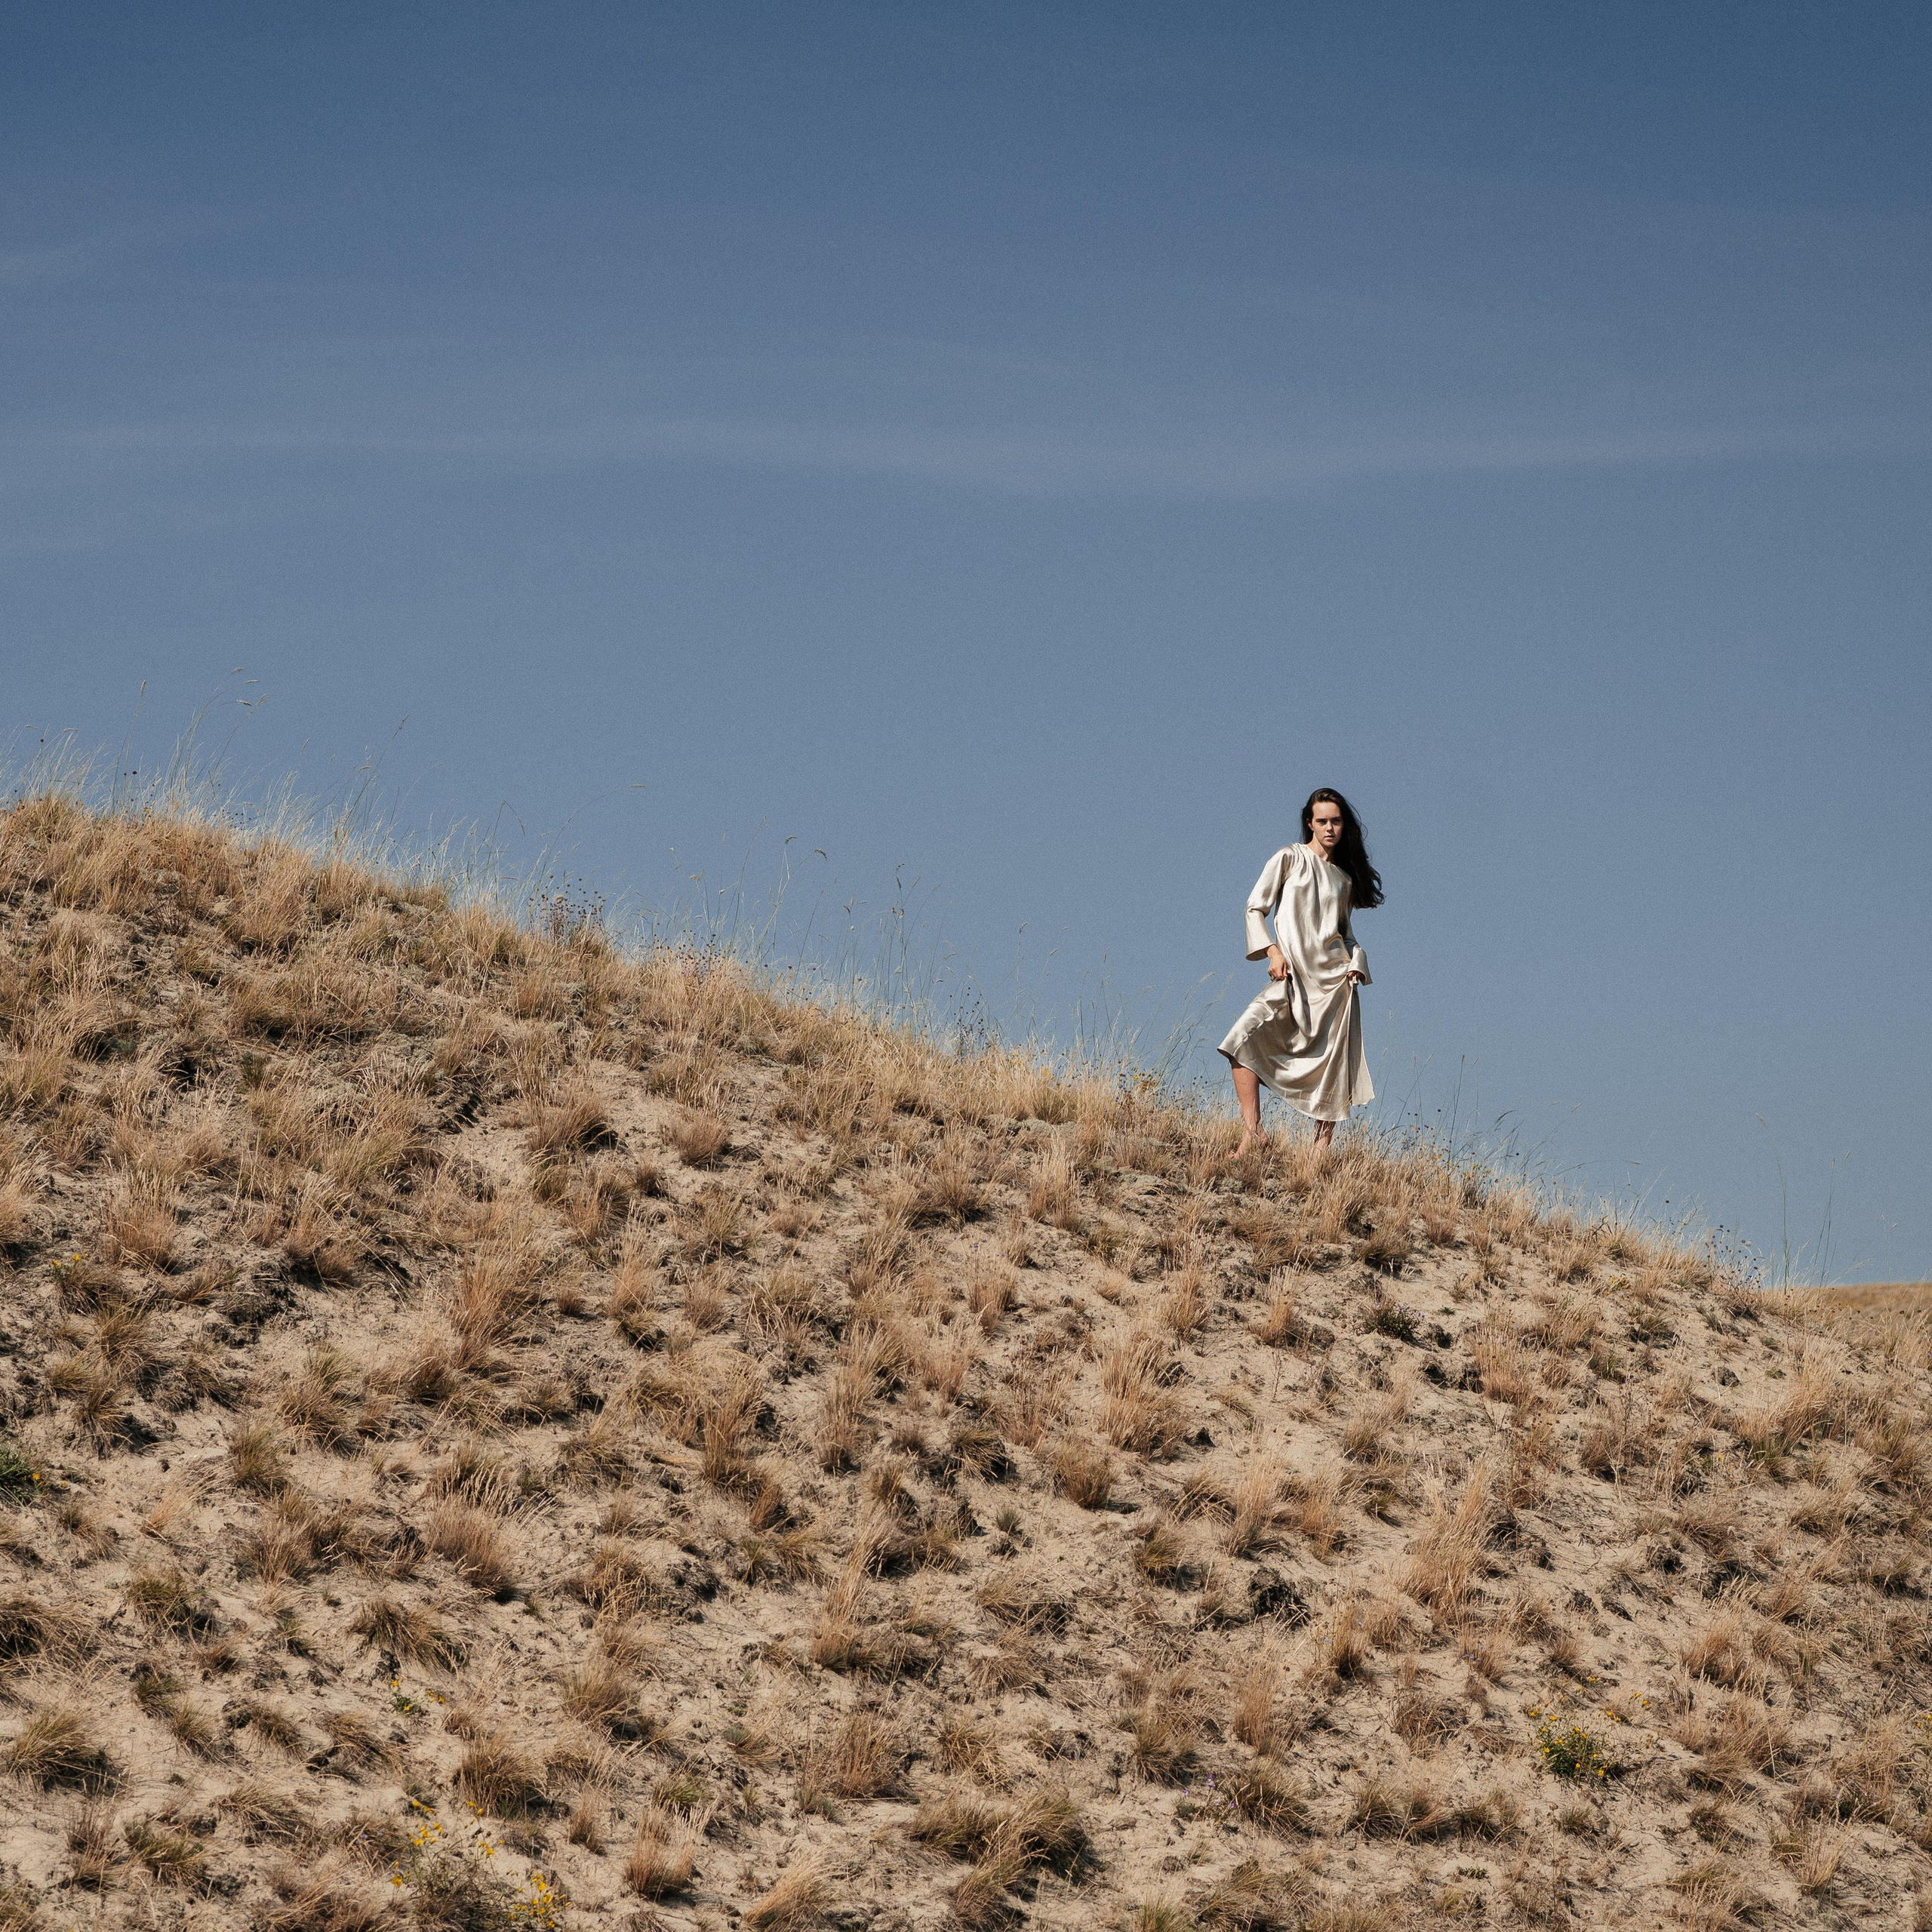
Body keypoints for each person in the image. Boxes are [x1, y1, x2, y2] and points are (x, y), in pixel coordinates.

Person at [1217, 788, 1382, 1156]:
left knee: (1332, 1064)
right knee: (1240, 1039)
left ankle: (1320, 1152)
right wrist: (1272, 951)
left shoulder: (1344, 880)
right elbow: (1254, 908)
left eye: (1336, 821)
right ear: (1310, 821)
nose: (1329, 828)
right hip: (1291, 976)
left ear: (1344, 826)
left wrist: (1356, 965)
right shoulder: (1289, 858)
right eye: (1322, 820)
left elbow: (1346, 935)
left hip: (1335, 983)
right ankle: (1253, 1132)